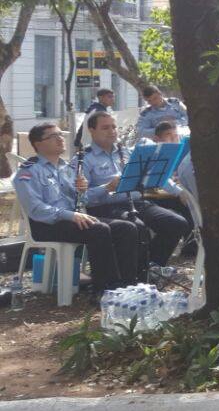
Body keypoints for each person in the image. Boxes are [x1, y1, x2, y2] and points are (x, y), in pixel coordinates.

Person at [15, 124, 140, 293]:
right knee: (99, 230)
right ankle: (104, 288)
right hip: (47, 224)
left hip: (74, 219)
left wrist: (104, 188)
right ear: (38, 144)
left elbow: (84, 199)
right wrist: (70, 215)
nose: (60, 138)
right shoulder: (29, 172)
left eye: (60, 134)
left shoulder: (66, 168)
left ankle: (127, 284)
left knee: (126, 227)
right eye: (53, 136)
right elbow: (36, 209)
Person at [80, 112, 192, 271]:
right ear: (92, 130)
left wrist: (179, 192)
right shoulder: (84, 158)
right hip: (105, 208)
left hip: (136, 202)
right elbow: (81, 197)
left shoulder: (126, 151)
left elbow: (154, 173)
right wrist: (106, 187)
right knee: (138, 227)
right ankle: (136, 273)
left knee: (176, 223)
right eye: (105, 128)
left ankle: (150, 267)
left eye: (114, 127)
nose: (112, 131)